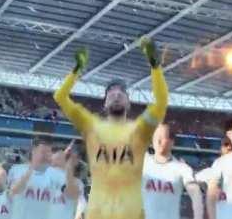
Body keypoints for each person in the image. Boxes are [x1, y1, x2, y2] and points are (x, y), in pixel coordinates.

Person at [53, 37, 168, 219]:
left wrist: (155, 67)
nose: (116, 95)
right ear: (104, 103)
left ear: (129, 103)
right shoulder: (90, 125)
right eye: (111, 93)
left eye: (121, 93)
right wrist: (76, 70)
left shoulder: (140, 129)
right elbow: (60, 96)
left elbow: (161, 102)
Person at [142, 123, 203, 219]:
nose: (158, 141)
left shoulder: (181, 168)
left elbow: (196, 194)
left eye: (162, 137)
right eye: (156, 137)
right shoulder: (143, 162)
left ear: (171, 141)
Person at [7, 143, 80, 219]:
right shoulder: (18, 170)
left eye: (48, 152)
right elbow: (13, 192)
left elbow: (72, 195)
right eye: (43, 152)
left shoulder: (58, 176)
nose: (46, 155)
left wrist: (69, 170)